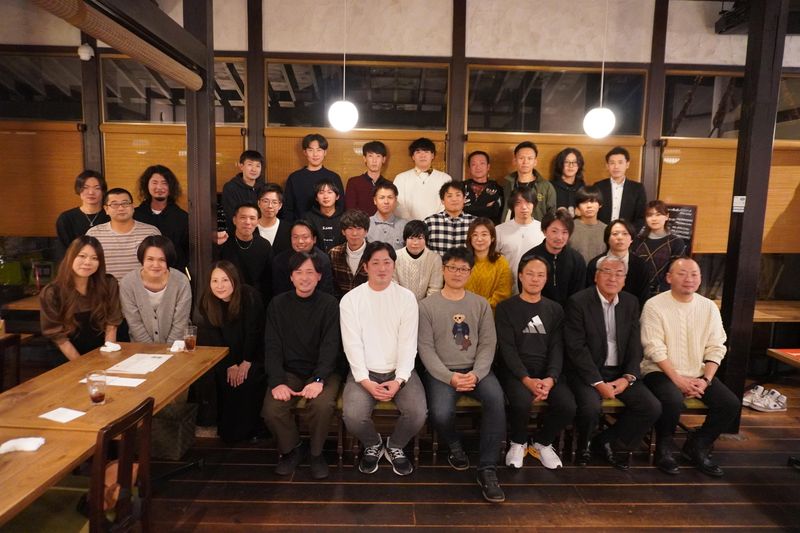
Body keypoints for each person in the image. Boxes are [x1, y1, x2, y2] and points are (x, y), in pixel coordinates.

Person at [418, 246, 506, 503]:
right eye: (452, 268)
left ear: (470, 272)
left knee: (496, 401)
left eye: (463, 269)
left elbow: (488, 344)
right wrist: (450, 377)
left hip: (477, 370)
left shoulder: (480, 304)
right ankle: (455, 446)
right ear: (443, 270)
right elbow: (425, 348)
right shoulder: (426, 306)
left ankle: (487, 469)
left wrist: (476, 374)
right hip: (442, 373)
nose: (457, 273)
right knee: (440, 412)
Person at [641, 257, 739, 477]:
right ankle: (664, 448)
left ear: (700, 279)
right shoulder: (654, 305)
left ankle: (698, 444)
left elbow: (717, 346)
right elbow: (654, 348)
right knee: (672, 399)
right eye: (682, 273)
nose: (689, 279)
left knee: (730, 404)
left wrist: (706, 380)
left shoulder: (708, 307)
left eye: (694, 274)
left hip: (698, 373)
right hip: (660, 371)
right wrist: (678, 380)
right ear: (669, 278)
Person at [564, 256, 661, 470]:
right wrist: (598, 383)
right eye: (607, 272)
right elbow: (576, 348)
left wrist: (628, 377)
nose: (612, 278)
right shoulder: (578, 302)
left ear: (625, 280)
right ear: (596, 276)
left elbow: (635, 345)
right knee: (590, 406)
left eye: (619, 274)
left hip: (620, 372)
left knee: (651, 407)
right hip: (588, 372)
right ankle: (583, 445)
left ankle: (608, 441)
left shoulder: (630, 302)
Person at [340, 242, 427, 477]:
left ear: (394, 266)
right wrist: (365, 380)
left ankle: (395, 445)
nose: (382, 268)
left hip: (399, 371)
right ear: (365, 267)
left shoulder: (406, 298)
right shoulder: (350, 300)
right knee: (353, 416)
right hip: (364, 372)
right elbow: (352, 345)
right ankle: (374, 443)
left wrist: (399, 379)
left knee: (417, 413)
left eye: (387, 262)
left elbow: (408, 343)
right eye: (375, 263)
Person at [262, 251, 342, 480]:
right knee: (271, 409)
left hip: (324, 371)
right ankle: (293, 448)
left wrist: (319, 379)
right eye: (299, 272)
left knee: (322, 405)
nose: (304, 277)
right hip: (290, 371)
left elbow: (331, 346)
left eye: (310, 272)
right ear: (291, 277)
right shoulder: (278, 304)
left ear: (319, 276)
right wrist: (277, 381)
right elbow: (272, 346)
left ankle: (316, 453)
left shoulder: (330, 304)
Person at [496, 255, 574, 470]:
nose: (535, 279)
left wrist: (551, 378)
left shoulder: (555, 309)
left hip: (547, 372)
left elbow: (557, 347)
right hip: (515, 372)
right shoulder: (505, 308)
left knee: (567, 405)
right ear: (520, 276)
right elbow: (507, 349)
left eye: (540, 275)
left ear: (546, 279)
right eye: (530, 274)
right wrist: (526, 379)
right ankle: (518, 442)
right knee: (521, 402)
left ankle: (541, 442)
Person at [194, 260, 265, 443]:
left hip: (253, 353)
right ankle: (228, 431)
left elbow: (254, 331)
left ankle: (254, 430)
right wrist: (231, 364)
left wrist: (246, 361)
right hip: (225, 355)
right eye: (215, 281)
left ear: (234, 279)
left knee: (249, 379)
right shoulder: (207, 301)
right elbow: (215, 337)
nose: (220, 286)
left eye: (225, 280)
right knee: (223, 379)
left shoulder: (249, 296)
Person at [40, 235, 122, 360]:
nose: (88, 262)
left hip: (101, 351)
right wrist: (81, 365)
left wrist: (107, 359)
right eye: (82, 256)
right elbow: (59, 337)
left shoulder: (109, 283)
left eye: (94, 258)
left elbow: (112, 323)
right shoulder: (52, 292)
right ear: (70, 257)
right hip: (66, 356)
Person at [119, 235, 192, 344]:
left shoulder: (181, 282)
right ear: (142, 259)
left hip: (177, 347)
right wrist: (151, 349)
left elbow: (180, 323)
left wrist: (168, 349)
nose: (156, 265)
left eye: (162, 260)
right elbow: (134, 324)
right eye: (150, 259)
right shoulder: (128, 283)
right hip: (140, 348)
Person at [86, 188, 160, 281]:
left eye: (125, 203)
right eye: (114, 204)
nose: (121, 208)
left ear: (133, 206)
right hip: (106, 288)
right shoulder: (93, 234)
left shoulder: (151, 232)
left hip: (141, 288)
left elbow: (160, 265)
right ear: (106, 209)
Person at [522, 208, 585, 306]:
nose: (559, 237)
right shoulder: (530, 258)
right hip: (537, 311)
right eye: (554, 231)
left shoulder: (577, 260)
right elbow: (525, 291)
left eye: (564, 232)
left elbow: (579, 295)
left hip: (569, 313)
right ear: (544, 231)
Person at [133, 165, 189, 273]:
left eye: (164, 183)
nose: (159, 187)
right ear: (146, 185)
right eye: (154, 183)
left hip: (173, 273)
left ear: (171, 186)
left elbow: (187, 251)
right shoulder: (136, 215)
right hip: (142, 273)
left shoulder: (182, 217)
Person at [586, 219, 649, 308]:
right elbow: (590, 295)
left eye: (625, 234)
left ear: (631, 239)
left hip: (631, 312)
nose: (620, 237)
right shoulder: (595, 264)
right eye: (615, 234)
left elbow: (643, 298)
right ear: (607, 239)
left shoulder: (640, 265)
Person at [219, 203, 273, 306]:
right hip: (228, 299)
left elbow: (268, 280)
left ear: (258, 221)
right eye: (243, 217)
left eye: (252, 218)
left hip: (256, 301)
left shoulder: (264, 245)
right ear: (234, 220)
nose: (248, 222)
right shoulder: (224, 243)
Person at [283, 133, 344, 221]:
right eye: (310, 150)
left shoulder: (334, 177)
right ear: (305, 152)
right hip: (301, 226)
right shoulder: (294, 178)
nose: (315, 154)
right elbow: (288, 208)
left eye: (319, 150)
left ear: (325, 152)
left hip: (328, 225)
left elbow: (341, 206)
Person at [634, 200, 687, 298]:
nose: (654, 219)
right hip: (637, 292)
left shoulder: (676, 242)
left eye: (658, 214)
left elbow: (676, 272)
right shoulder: (637, 240)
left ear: (667, 216)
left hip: (664, 295)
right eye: (650, 215)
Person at [55, 170, 109, 259]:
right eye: (85, 187)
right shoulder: (66, 218)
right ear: (78, 190)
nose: (91, 192)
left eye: (97, 188)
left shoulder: (110, 215)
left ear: (103, 191)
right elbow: (63, 252)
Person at [495, 188, 545, 286]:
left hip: (535, 285)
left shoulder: (542, 230)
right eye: (518, 203)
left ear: (534, 204)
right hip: (506, 286)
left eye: (528, 202)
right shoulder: (499, 230)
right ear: (512, 206)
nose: (524, 207)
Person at [394, 137, 452, 221]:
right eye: (418, 152)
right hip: (408, 226)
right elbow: (398, 204)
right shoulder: (401, 178)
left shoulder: (445, 178)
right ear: (413, 156)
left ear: (432, 155)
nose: (422, 155)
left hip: (437, 225)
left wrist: (432, 222)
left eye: (426, 151)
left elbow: (447, 203)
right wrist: (412, 223)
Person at [272, 220, 335, 296]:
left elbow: (326, 291)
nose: (300, 241)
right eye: (295, 237)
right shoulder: (280, 261)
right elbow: (279, 292)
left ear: (314, 239)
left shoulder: (323, 260)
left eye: (305, 237)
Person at [500, 141, 556, 222]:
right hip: (511, 228)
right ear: (515, 161)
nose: (525, 162)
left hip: (537, 229)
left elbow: (552, 214)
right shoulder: (507, 184)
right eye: (521, 158)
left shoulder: (546, 187)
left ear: (535, 162)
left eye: (529, 158)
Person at [464, 218, 512, 312]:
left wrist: (479, 306)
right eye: (475, 235)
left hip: (491, 314)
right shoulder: (462, 261)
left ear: (492, 238)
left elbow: (503, 294)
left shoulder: (501, 262)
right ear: (470, 238)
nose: (479, 239)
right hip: (463, 312)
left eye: (484, 234)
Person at [596, 146, 646, 230]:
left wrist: (628, 233)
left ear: (627, 164)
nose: (616, 166)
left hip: (626, 234)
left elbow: (641, 217)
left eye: (620, 162)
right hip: (601, 232)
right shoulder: (598, 186)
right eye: (612, 163)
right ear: (607, 165)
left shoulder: (637, 188)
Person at [393, 220, 444, 301]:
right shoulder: (395, 256)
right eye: (411, 238)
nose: (415, 242)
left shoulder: (435, 259)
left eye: (420, 238)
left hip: (427, 306)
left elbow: (435, 289)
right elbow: (394, 286)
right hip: (400, 303)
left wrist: (423, 307)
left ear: (426, 240)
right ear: (405, 239)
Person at [424, 181, 476, 255]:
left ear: (464, 199)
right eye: (449, 196)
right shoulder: (429, 222)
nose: (454, 199)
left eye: (458, 195)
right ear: (442, 201)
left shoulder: (475, 222)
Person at [221, 150, 266, 233]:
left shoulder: (264, 187)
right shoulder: (230, 187)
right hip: (238, 233)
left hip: (262, 231)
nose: (254, 169)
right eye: (250, 164)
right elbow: (231, 215)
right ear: (241, 166)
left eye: (258, 166)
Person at [328, 209, 370, 298]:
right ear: (343, 231)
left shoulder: (374, 253)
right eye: (350, 228)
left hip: (368, 301)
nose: (354, 233)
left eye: (359, 228)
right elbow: (331, 284)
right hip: (341, 302)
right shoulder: (334, 253)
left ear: (366, 231)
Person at [345, 140, 390, 215]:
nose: (374, 161)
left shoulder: (389, 185)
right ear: (364, 158)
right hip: (360, 222)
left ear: (384, 159)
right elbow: (350, 211)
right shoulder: (353, 182)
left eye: (378, 156)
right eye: (370, 156)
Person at [463, 150, 504, 225]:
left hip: (490, 229)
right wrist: (486, 208)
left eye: (482, 163)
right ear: (469, 168)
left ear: (488, 167)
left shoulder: (498, 189)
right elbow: (457, 210)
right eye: (474, 164)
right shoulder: (461, 187)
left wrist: (469, 208)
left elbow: (496, 213)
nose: (478, 167)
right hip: (464, 228)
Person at [569, 186, 607, 264]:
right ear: (578, 206)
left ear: (600, 204)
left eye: (593, 201)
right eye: (584, 202)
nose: (589, 206)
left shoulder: (606, 229)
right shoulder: (569, 227)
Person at [306, 179, 345, 252]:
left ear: (337, 196)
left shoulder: (345, 217)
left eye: (330, 192)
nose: (326, 196)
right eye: (321, 193)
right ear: (316, 198)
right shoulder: (308, 218)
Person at [366, 181, 407, 249]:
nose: (386, 202)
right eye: (382, 197)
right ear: (375, 200)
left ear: (395, 200)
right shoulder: (365, 224)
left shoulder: (404, 225)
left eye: (390, 197)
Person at [550, 148, 587, 215]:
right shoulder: (550, 187)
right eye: (566, 162)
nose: (571, 166)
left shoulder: (583, 187)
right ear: (560, 164)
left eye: (575, 162)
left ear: (579, 165)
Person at [256, 183, 291, 255]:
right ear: (259, 203)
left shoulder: (289, 229)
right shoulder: (250, 227)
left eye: (274, 202)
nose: (270, 206)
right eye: (265, 201)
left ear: (280, 205)